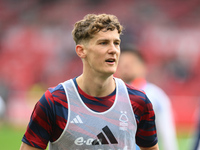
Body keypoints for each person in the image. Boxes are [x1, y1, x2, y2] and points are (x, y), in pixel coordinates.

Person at [20, 14, 159, 150]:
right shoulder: (55, 102)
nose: (113, 50)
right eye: (103, 43)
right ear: (81, 51)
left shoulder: (138, 101)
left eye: (116, 43)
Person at [116, 46, 178, 150]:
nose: (126, 66)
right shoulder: (111, 94)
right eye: (122, 63)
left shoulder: (156, 96)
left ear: (143, 67)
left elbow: (167, 133)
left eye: (131, 63)